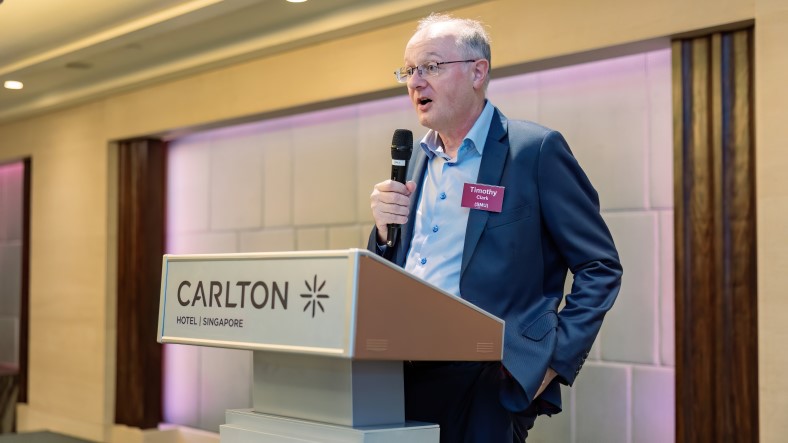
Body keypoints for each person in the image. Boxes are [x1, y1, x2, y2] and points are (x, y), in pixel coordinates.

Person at [367, 13, 623, 443]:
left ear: (477, 72)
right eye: (409, 71)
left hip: (488, 378)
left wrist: (552, 362)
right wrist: (381, 231)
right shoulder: (415, 161)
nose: (415, 82)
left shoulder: (534, 151)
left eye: (430, 66)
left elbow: (600, 266)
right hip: (400, 372)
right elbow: (395, 268)